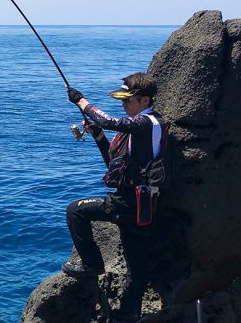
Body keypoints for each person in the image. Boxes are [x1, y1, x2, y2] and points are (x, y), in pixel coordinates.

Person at [62, 72, 166, 323]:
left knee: (75, 210)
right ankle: (128, 315)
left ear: (144, 100)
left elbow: (110, 121)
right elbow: (113, 162)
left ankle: (92, 265)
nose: (123, 104)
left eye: (128, 100)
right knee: (137, 267)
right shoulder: (135, 130)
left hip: (129, 204)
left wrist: (82, 102)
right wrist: (98, 136)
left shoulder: (149, 122)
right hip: (138, 206)